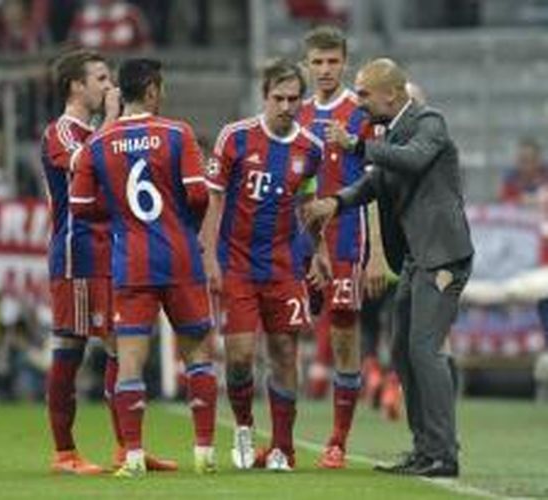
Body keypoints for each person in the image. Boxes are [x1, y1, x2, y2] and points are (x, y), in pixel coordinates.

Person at [305, 58, 474, 478]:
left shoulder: (428, 122)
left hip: (442, 256)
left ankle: (443, 454)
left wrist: (356, 146)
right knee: (402, 350)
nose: (358, 100)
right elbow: (377, 181)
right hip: (417, 258)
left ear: (391, 94)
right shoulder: (390, 133)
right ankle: (424, 449)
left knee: (424, 349)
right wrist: (336, 202)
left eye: (363, 93)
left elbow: (413, 161)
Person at [70, 58, 217, 477]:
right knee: (197, 355)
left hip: (131, 261)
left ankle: (132, 455)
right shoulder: (178, 133)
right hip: (180, 257)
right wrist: (183, 225)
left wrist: (118, 214)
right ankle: (204, 451)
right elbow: (198, 195)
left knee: (130, 360)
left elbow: (80, 207)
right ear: (152, 89)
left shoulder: (99, 143)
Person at [41, 49, 175, 474]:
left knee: (122, 346)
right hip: (76, 254)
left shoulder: (102, 129)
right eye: (99, 78)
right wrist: (114, 120)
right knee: (70, 346)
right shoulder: (61, 132)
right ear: (75, 86)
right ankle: (64, 453)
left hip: (112, 252)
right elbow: (86, 162)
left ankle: (127, 449)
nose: (108, 85)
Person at [201, 58, 322, 472]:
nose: (287, 106)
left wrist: (318, 254)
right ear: (264, 96)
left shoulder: (310, 148)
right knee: (239, 356)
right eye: (279, 98)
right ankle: (244, 428)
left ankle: (283, 449)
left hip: (285, 266)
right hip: (237, 265)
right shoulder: (234, 138)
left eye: (294, 99)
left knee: (286, 352)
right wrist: (208, 255)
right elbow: (214, 199)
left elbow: (307, 204)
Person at [297, 25, 389, 469]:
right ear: (307, 65)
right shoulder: (296, 112)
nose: (326, 70)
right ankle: (280, 440)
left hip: (348, 236)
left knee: (342, 332)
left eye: (333, 61)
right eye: (318, 62)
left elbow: (378, 180)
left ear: (346, 63)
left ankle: (337, 440)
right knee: (282, 334)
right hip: (299, 240)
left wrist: (375, 253)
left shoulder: (360, 112)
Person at [500, 137, 548, 204]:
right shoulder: (510, 178)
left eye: (530, 160)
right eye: (521, 160)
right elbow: (505, 200)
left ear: (538, 161)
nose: (525, 166)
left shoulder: (545, 176)